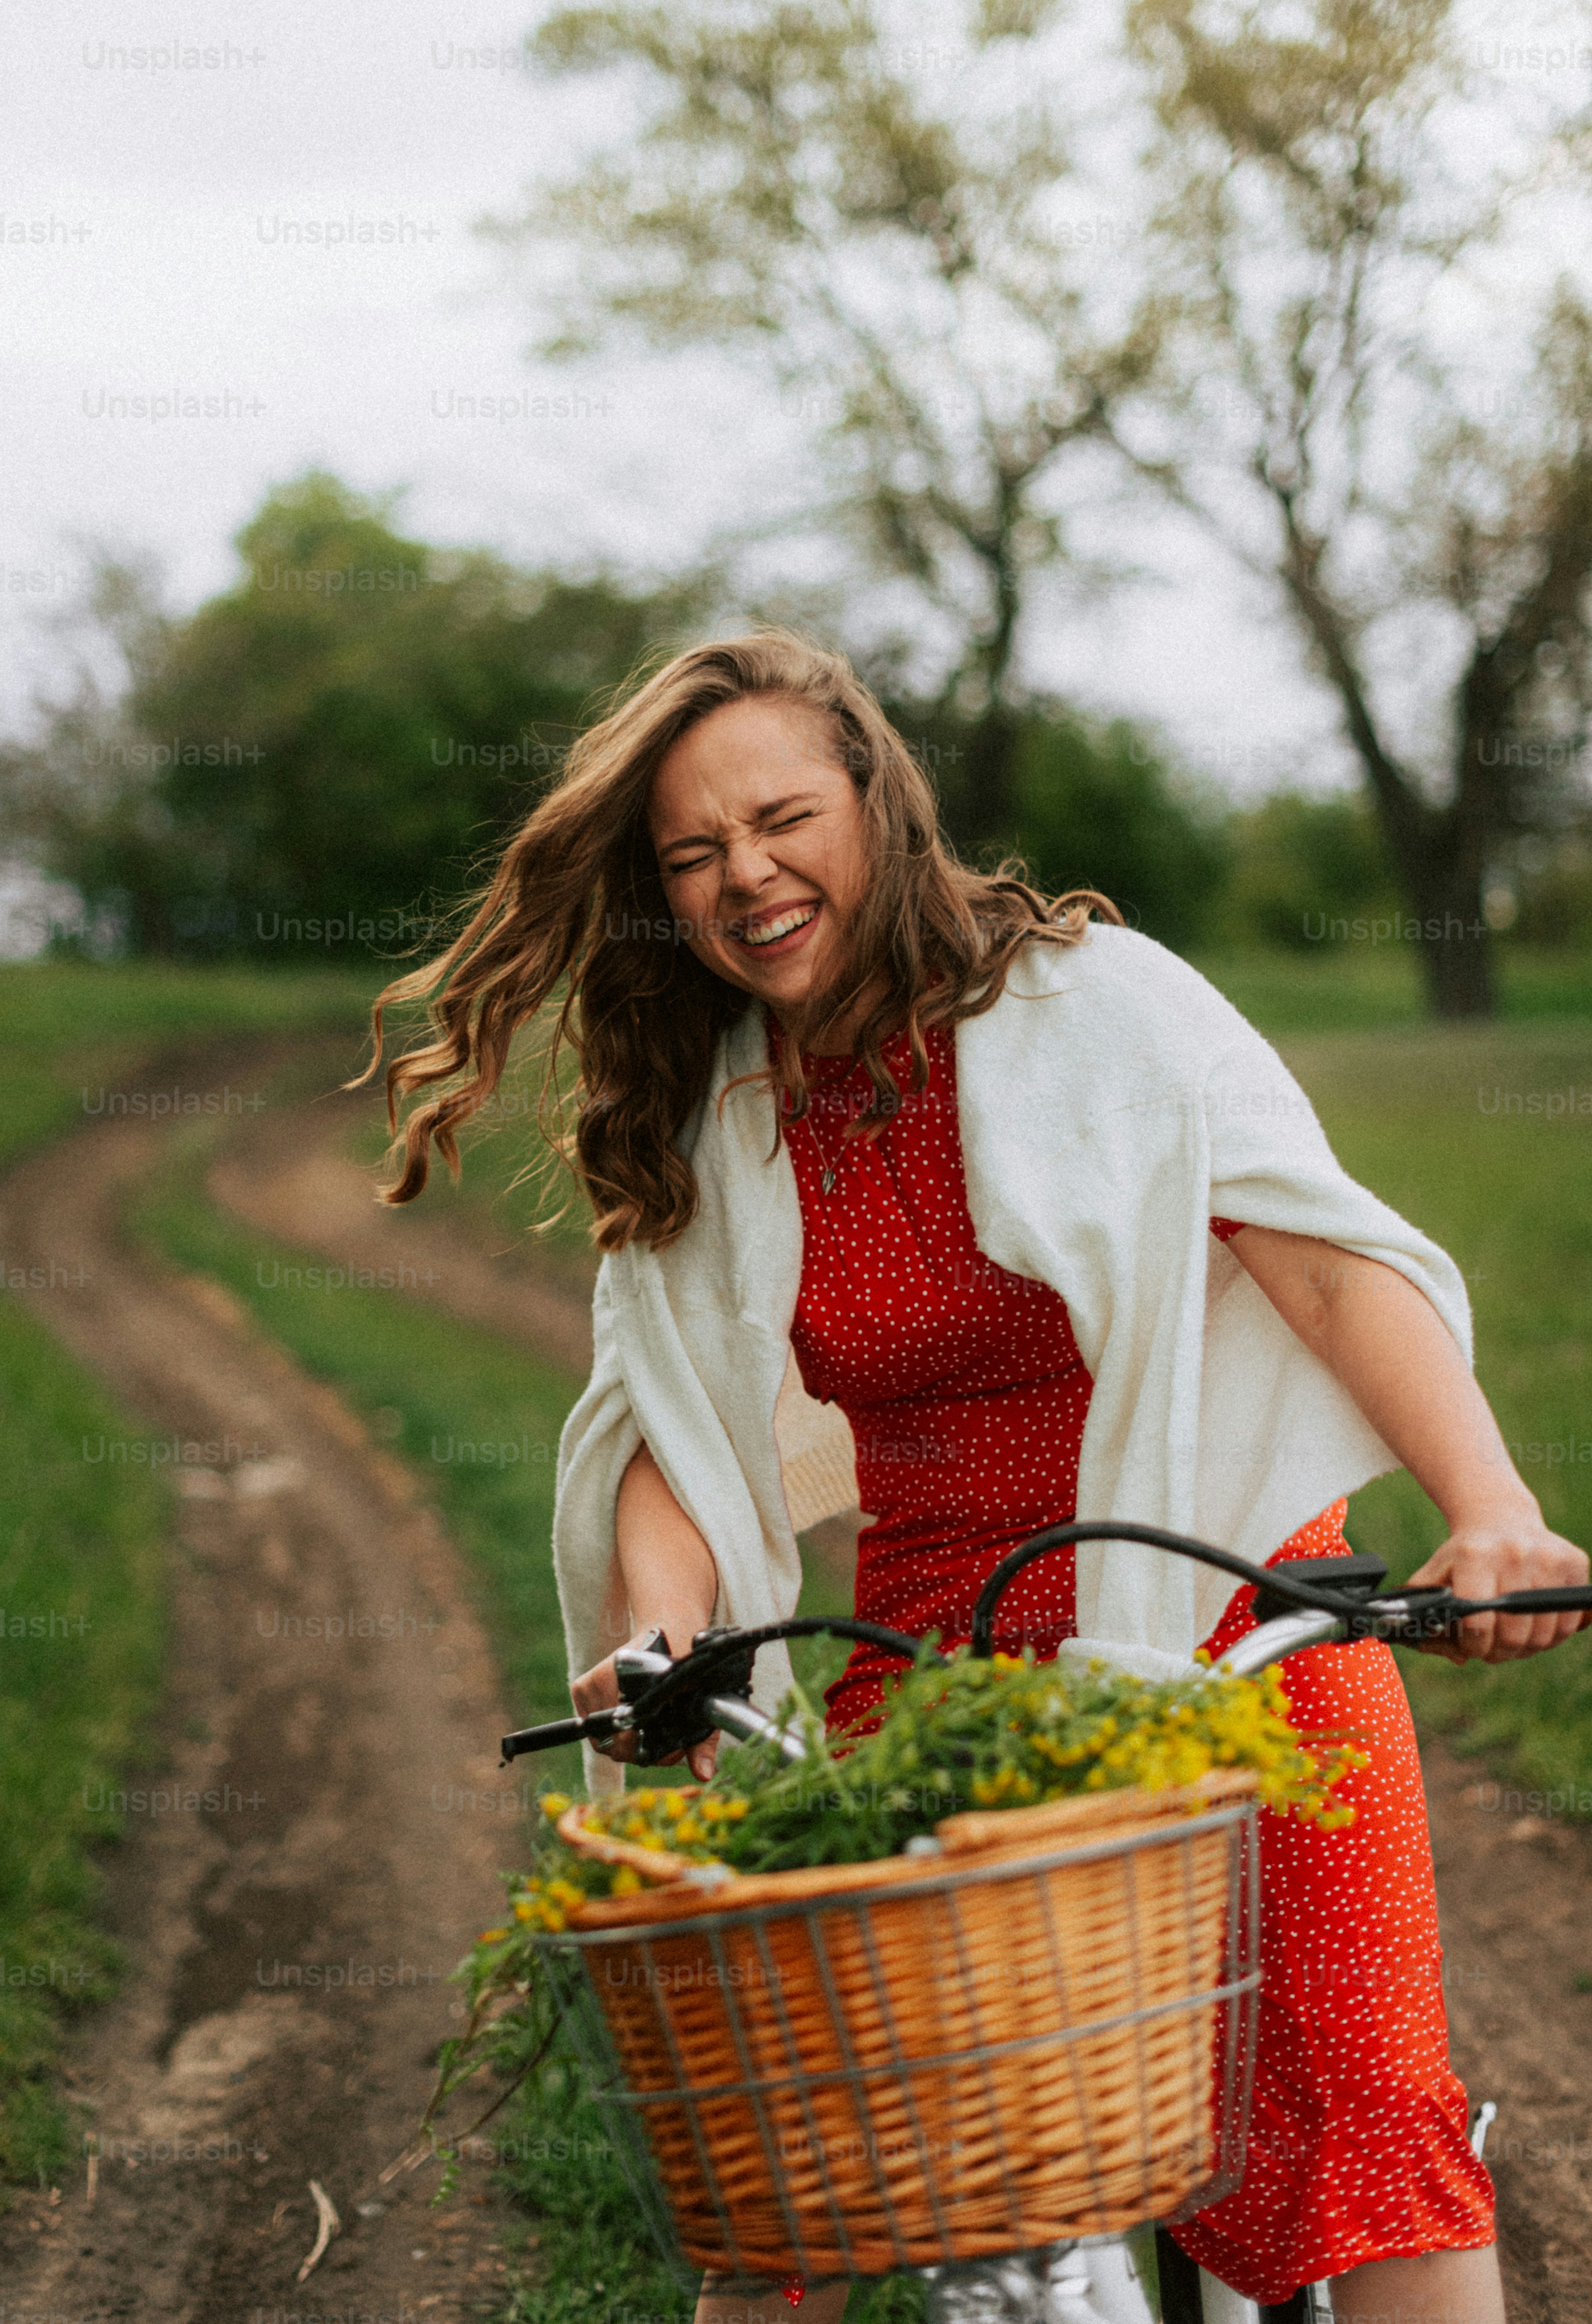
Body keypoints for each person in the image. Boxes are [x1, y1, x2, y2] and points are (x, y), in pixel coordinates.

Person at [366, 631, 1587, 2324]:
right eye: (692, 854)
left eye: (782, 817)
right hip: (932, 1670)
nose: (747, 876)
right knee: (789, 2158)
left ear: (877, 799)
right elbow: (674, 1420)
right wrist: (661, 1638)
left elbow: (1318, 1261)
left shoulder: (1099, 1004)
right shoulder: (717, 1108)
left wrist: (1487, 1508)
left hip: (1224, 1619)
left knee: (1362, 2125)